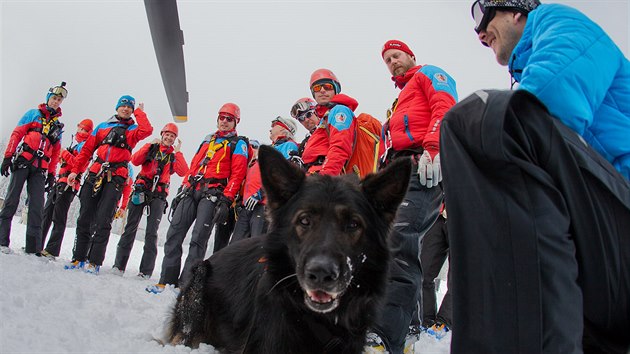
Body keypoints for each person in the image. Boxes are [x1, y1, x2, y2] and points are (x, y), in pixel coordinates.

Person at [437, 1, 630, 353]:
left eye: (485, 17)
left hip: (620, 214)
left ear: (517, 10)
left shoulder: (558, 21)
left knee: (478, 119)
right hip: (605, 238)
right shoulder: (529, 78)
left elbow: (556, 94)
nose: (480, 34)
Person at [368, 40, 458, 353]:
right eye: (387, 60)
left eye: (396, 55)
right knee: (397, 243)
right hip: (395, 173)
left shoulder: (428, 75)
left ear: (411, 56)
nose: (392, 62)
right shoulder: (400, 100)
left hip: (420, 164)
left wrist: (434, 147)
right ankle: (407, 331)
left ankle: (383, 335)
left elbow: (445, 104)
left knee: (399, 240)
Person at [147, 103, 249, 294]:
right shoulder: (207, 139)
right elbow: (194, 165)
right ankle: (166, 280)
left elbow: (238, 174)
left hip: (213, 194)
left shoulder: (239, 144)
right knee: (174, 233)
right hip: (192, 189)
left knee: (198, 240)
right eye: (222, 117)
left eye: (229, 119)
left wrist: (227, 200)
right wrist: (183, 188)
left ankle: (186, 284)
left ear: (236, 122)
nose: (224, 122)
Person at [64, 95, 153, 275]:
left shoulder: (133, 130)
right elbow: (87, 150)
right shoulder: (102, 127)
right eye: (123, 106)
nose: (126, 109)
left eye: (130, 107)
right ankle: (78, 257)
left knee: (104, 219)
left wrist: (140, 113)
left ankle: (94, 261)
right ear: (117, 107)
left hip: (116, 177)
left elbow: (147, 130)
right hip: (95, 173)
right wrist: (75, 170)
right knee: (84, 216)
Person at [112, 123, 188, 278]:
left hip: (158, 195)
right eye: (166, 134)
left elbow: (183, 172)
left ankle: (145, 271)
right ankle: (119, 265)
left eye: (172, 136)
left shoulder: (173, 155)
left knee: (152, 232)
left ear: (174, 139)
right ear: (162, 135)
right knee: (130, 227)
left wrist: (178, 153)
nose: (168, 138)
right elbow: (135, 160)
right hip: (141, 189)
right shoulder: (152, 149)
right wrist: (149, 145)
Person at [0, 83, 66, 255]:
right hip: (23, 161)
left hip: (40, 168)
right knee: (11, 200)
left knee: (37, 206)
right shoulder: (33, 114)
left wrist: (52, 173)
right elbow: (17, 134)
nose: (55, 102)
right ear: (48, 98)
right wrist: (8, 156)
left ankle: (33, 247)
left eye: (59, 100)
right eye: (53, 98)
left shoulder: (57, 126)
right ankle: (1, 240)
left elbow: (56, 151)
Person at [40, 119, 94, 259]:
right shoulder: (74, 142)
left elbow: (79, 164)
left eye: (85, 130)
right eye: (81, 128)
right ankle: (37, 243)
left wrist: (64, 154)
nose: (81, 131)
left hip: (69, 184)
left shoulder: (85, 146)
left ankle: (52, 249)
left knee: (59, 216)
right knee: (47, 213)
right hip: (60, 180)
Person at [300, 68, 358, 176]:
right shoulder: (324, 118)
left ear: (335, 89)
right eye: (317, 88)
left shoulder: (339, 111)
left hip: (324, 177)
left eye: (327, 87)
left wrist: (325, 179)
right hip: (313, 175)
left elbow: (339, 147)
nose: (322, 90)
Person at [420, 206, 451, 338]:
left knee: (458, 277)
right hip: (437, 214)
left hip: (465, 215)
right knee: (423, 271)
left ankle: (444, 321)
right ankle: (426, 319)